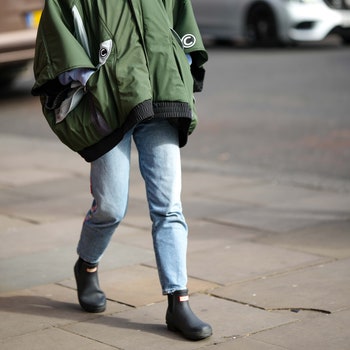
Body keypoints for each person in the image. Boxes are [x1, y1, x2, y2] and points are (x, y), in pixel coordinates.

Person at [32, 0, 211, 341]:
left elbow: (181, 21)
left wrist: (182, 66)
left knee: (169, 206)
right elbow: (56, 34)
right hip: (109, 101)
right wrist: (90, 78)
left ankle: (179, 301)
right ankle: (86, 264)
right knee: (111, 207)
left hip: (160, 93)